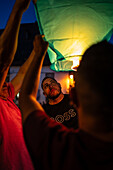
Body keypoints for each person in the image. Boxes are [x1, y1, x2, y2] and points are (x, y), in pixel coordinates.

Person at [19, 35, 113, 170]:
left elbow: (26, 97)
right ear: (44, 93)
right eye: (46, 85)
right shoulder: (45, 110)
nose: (50, 85)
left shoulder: (58, 148)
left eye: (52, 82)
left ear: (73, 97)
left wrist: (39, 54)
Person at [0, 0, 34, 169]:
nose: (6, 83)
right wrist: (18, 10)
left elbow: (22, 73)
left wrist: (38, 50)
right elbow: (4, 61)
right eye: (3, 80)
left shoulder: (8, 99)